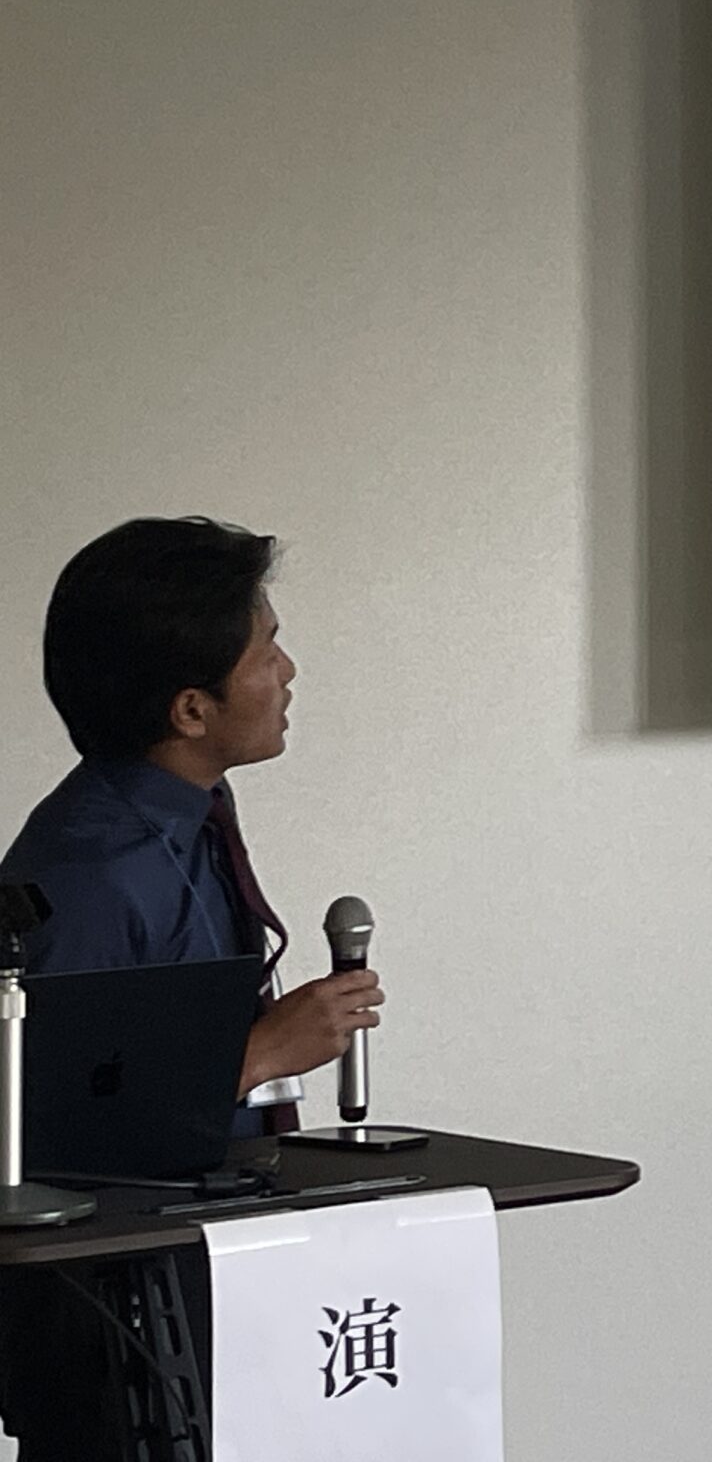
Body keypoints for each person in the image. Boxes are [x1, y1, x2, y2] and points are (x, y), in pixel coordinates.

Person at [0, 517, 383, 1459]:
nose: (287, 672)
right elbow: (47, 1128)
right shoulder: (94, 871)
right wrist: (258, 1054)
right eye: (267, 649)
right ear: (191, 709)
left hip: (206, 1275)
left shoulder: (185, 815)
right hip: (119, 1336)